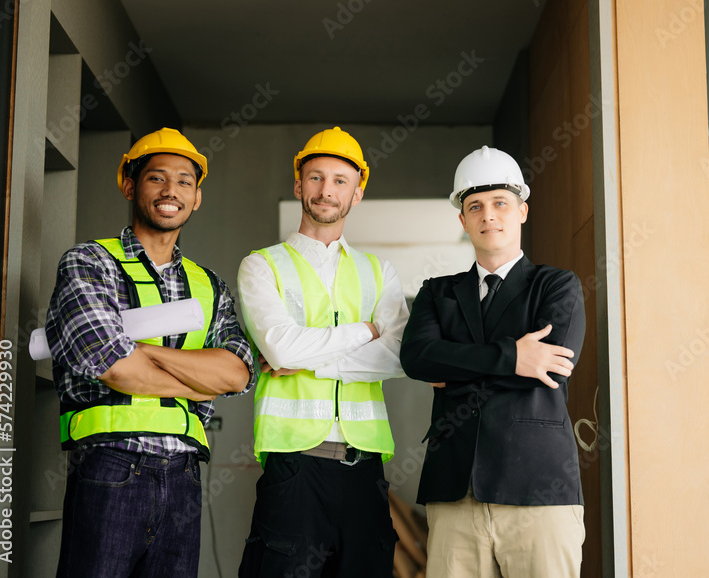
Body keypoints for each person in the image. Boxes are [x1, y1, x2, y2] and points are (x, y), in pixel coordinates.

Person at [45, 127, 255, 577]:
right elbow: (115, 368)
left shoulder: (210, 286)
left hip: (183, 475)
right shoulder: (88, 263)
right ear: (130, 185)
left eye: (184, 181)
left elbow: (237, 374)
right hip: (109, 466)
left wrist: (141, 350)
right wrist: (197, 384)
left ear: (196, 197)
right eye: (156, 178)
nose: (170, 191)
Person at [400, 145, 587, 578]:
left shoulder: (557, 286)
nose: (489, 215)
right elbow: (418, 358)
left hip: (539, 490)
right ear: (462, 220)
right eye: (475, 206)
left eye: (500, 203)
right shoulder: (437, 292)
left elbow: (549, 371)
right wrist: (513, 356)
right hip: (454, 493)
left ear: (521, 210)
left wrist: (455, 367)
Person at [237, 126, 408, 577]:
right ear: (298, 186)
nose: (326, 190)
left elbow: (397, 355)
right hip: (293, 467)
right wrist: (364, 331)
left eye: (339, 180)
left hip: (364, 470)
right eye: (315, 178)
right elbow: (279, 345)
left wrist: (301, 356)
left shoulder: (380, 271)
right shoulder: (262, 265)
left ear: (357, 194)